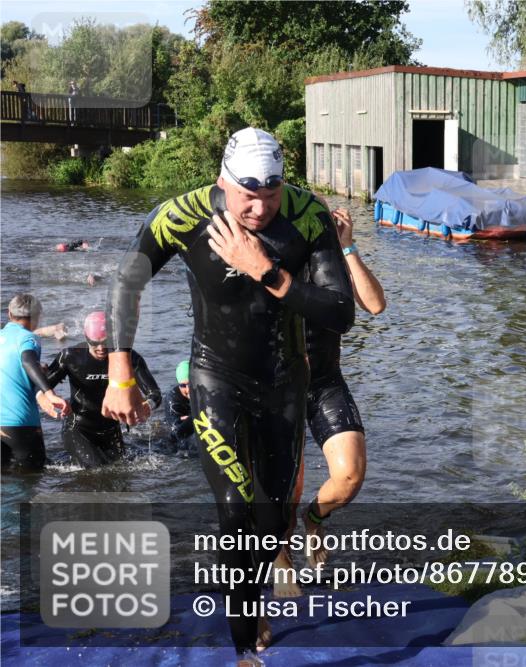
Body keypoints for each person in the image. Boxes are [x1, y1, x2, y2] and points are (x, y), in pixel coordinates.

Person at [102, 127, 354, 666]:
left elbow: (341, 312)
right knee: (237, 511)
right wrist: (119, 368)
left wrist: (267, 271)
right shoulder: (183, 215)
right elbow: (127, 280)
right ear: (224, 182)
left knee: (271, 521)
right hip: (216, 380)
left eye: (271, 194)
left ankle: (253, 593)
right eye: (247, 196)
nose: (260, 209)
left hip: (286, 383)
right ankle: (244, 648)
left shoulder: (307, 217)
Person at [299, 207, 385, 565]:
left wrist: (347, 246)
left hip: (323, 379)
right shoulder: (268, 253)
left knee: (350, 474)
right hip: (273, 383)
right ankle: (281, 558)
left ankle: (314, 518)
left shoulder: (330, 259)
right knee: (283, 486)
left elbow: (376, 305)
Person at [45, 311, 161, 468]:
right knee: (95, 470)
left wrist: (147, 405)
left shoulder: (129, 358)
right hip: (78, 428)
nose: (101, 348)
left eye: (106, 342)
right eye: (94, 343)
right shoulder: (71, 357)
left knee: (121, 473)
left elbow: (155, 394)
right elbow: (42, 385)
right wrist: (50, 397)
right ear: (86, 339)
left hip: (111, 429)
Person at [1, 294, 70, 472]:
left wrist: (38, 369)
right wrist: (49, 393)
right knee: (29, 483)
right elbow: (26, 361)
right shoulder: (28, 338)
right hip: (21, 424)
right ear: (37, 317)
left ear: (9, 314)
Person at [165, 359, 195, 455]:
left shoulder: (204, 392)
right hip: (170, 429)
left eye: (191, 383)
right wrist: (192, 418)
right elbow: (177, 431)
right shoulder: (173, 400)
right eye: (183, 385)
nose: (188, 389)